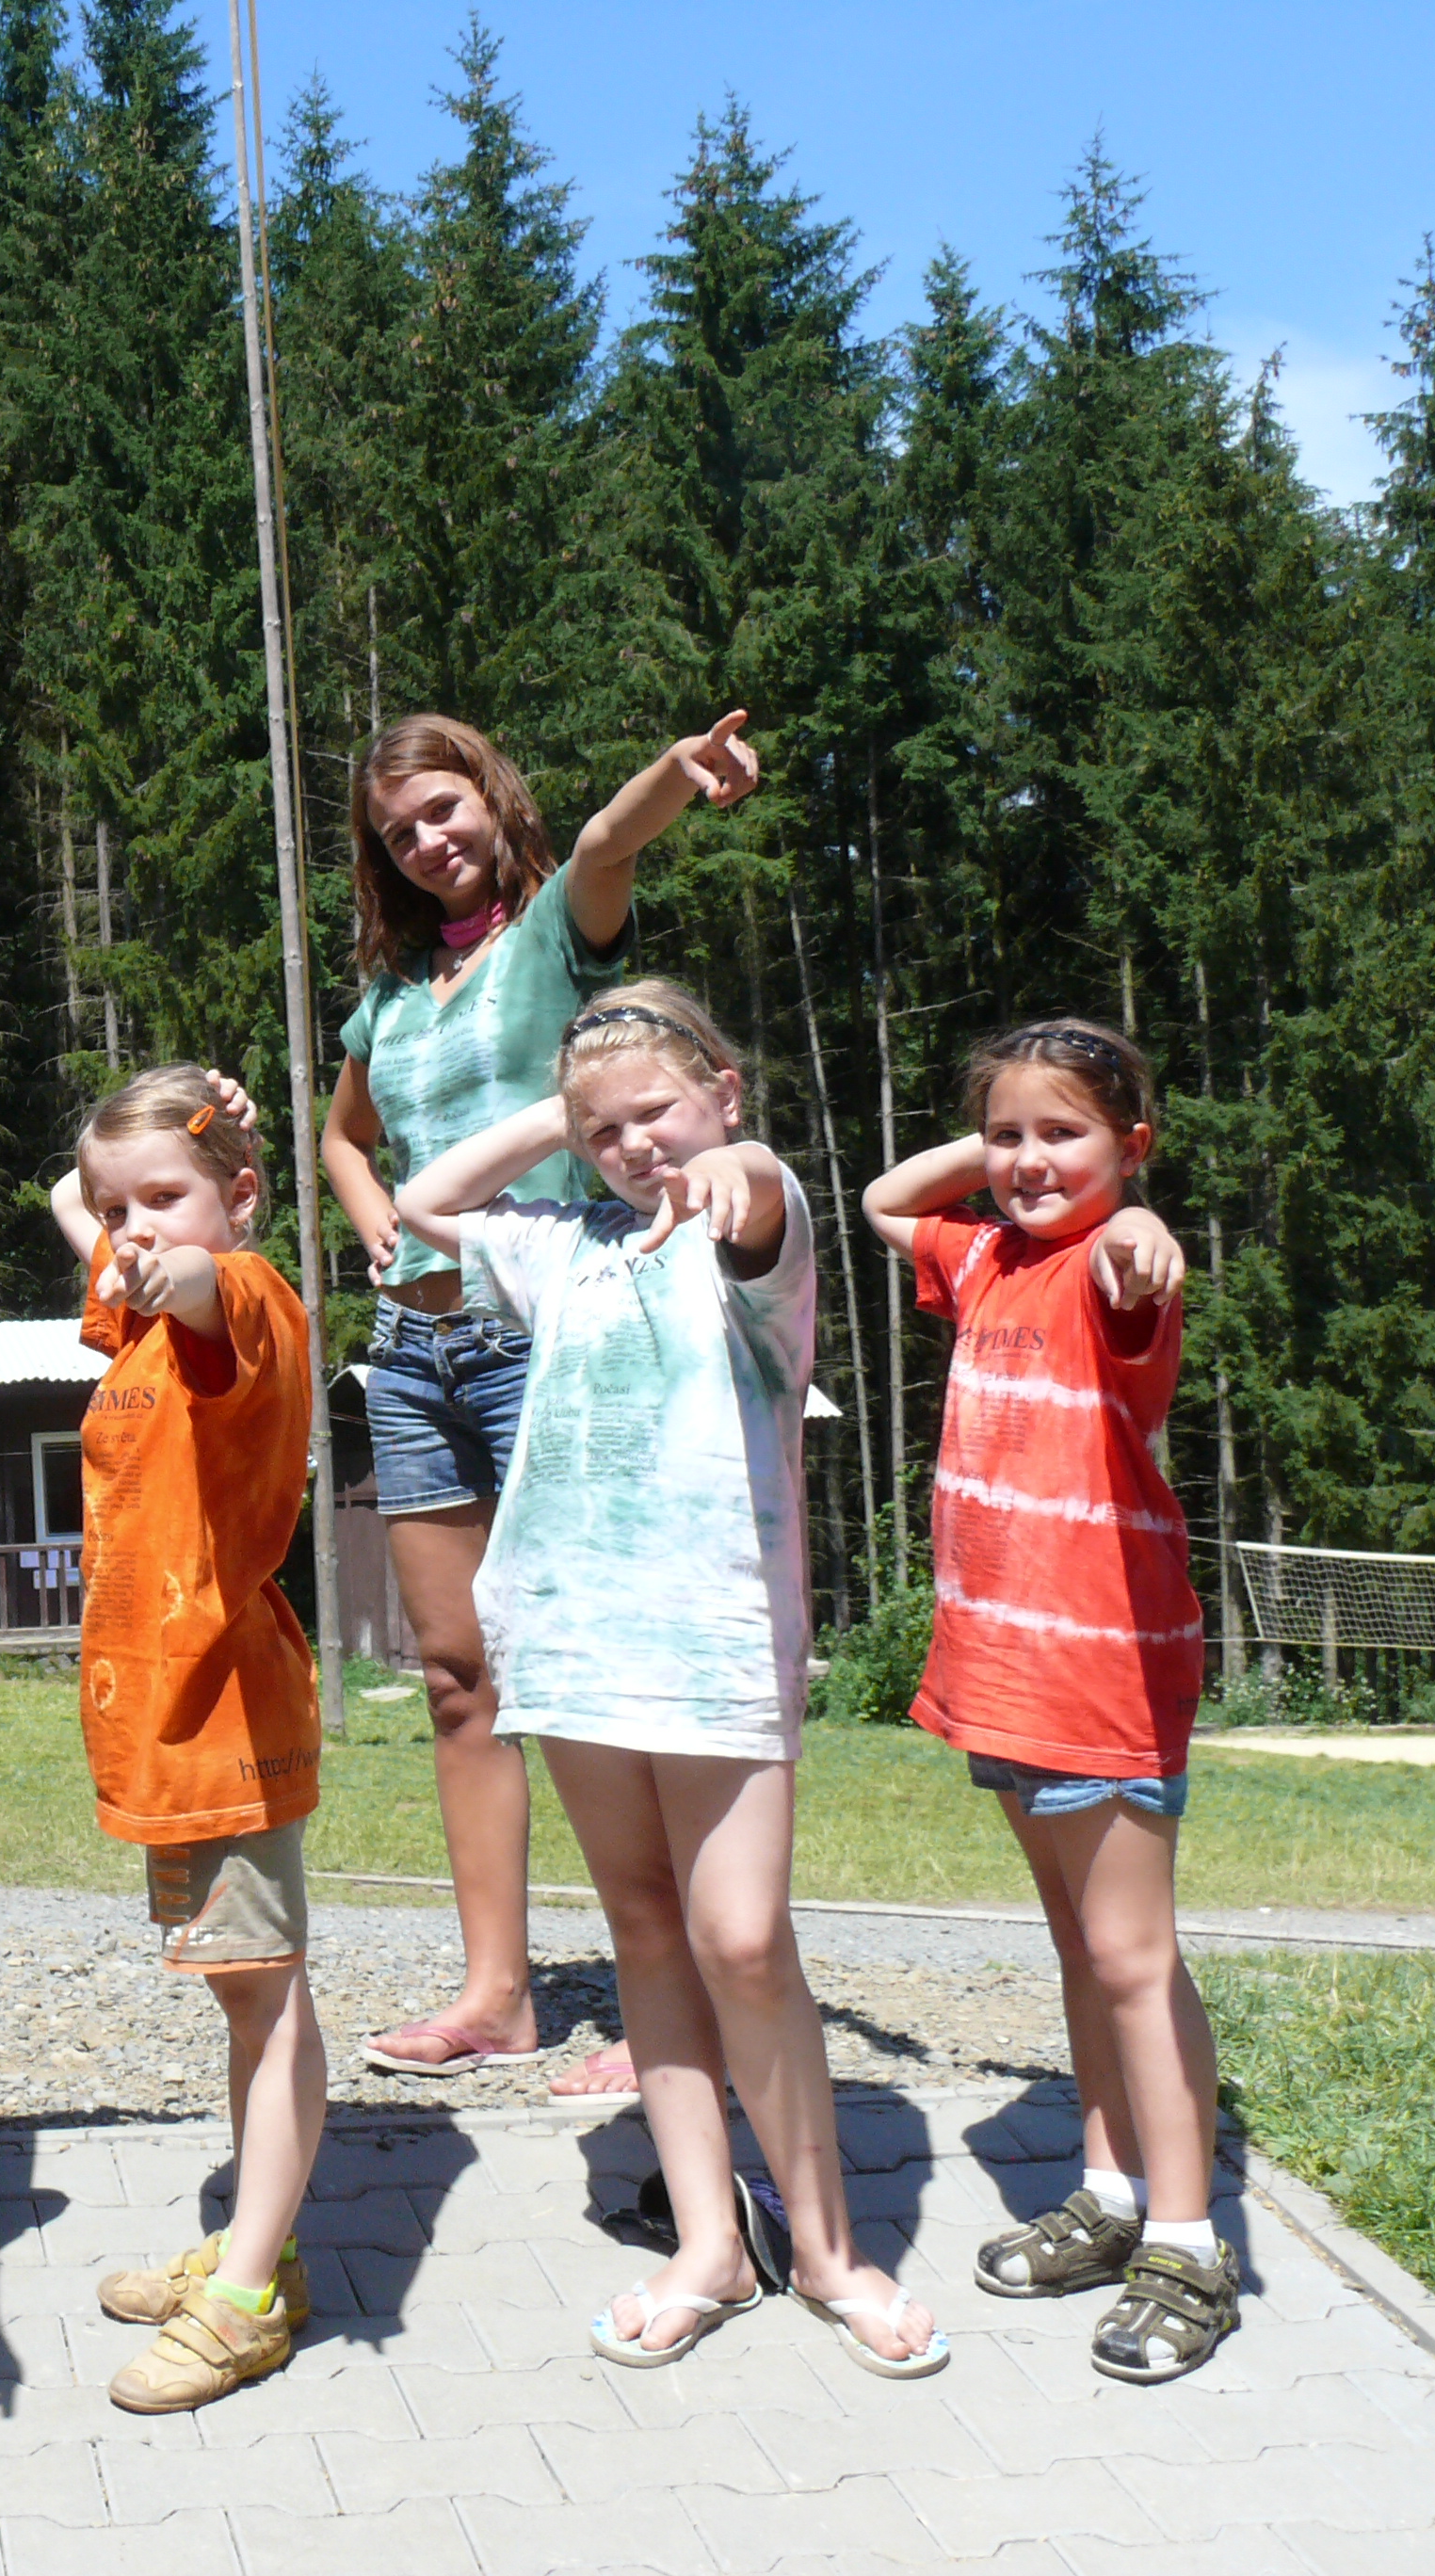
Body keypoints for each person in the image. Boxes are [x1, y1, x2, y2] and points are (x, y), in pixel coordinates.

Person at [395, 980, 943, 2378]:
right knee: (645, 1928)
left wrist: (717, 1158)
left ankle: (832, 2252)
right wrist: (565, 1110)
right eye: (606, 1131)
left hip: (713, 1635)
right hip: (571, 1632)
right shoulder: (559, 1245)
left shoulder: (757, 1226)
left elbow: (754, 1191)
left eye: (660, 1112)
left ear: (725, 1093)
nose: (635, 1144)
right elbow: (420, 1204)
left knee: (743, 1940)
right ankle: (712, 2243)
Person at [318, 712, 759, 2093]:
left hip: (555, 1333)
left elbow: (609, 842)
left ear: (489, 797)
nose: (427, 842)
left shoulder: (560, 933)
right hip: (414, 1352)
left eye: (443, 809)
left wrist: (677, 775)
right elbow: (342, 1133)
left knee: (613, 1663)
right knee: (461, 1678)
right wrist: (374, 1219)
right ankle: (498, 1994)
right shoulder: (390, 997)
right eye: (398, 832)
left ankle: (672, 2006)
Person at [863, 1019, 1230, 2382]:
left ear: (1134, 1146)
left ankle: (1189, 2247)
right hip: (1002, 1669)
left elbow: (1136, 1264)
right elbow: (885, 1200)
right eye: (1006, 1134)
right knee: (1081, 1951)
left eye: (1061, 1133)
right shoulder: (987, 1260)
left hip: (1103, 1670)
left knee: (1135, 1959)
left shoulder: (1113, 1266)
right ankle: (1112, 2192)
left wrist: (1126, 1213)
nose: (1025, 1160)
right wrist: (1014, 1150)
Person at [40, 1070, 329, 2413]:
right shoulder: (140, 1308)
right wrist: (179, 1140)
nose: (133, 1229)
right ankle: (261, 2241)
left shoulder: (242, 1297)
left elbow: (205, 1282)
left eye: (166, 1198)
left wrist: (184, 1226)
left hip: (226, 1720)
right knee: (243, 1995)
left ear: (244, 1199)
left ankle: (251, 2294)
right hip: (167, 1727)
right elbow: (83, 1198)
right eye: (119, 1210)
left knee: (269, 2000)